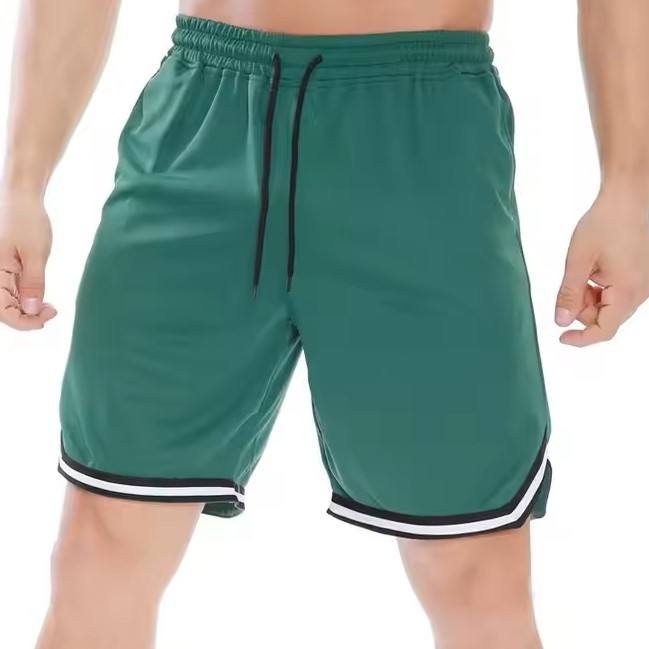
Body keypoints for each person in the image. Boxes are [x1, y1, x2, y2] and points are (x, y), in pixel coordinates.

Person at [0, 1, 647, 648]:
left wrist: (628, 186)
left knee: (474, 574)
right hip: (201, 126)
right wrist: (21, 183)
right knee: (97, 551)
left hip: (421, 139)